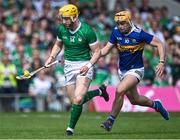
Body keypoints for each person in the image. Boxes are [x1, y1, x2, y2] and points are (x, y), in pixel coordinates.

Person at [45, 4, 109, 135]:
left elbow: (97, 52)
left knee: (78, 99)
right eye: (63, 18)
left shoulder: (87, 31)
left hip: (84, 65)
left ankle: (70, 129)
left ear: (75, 17)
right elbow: (58, 44)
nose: (64, 21)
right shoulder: (62, 29)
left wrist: (88, 65)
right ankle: (99, 92)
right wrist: (51, 57)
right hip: (68, 66)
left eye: (67, 18)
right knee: (74, 100)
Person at [100, 11, 170, 132]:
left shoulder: (139, 34)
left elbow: (159, 43)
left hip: (136, 70)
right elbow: (105, 50)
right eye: (118, 23)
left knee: (120, 89)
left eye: (123, 23)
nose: (120, 26)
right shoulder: (116, 32)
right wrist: (93, 55)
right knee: (134, 100)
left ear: (129, 21)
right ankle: (156, 105)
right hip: (122, 71)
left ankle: (110, 120)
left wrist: (162, 62)